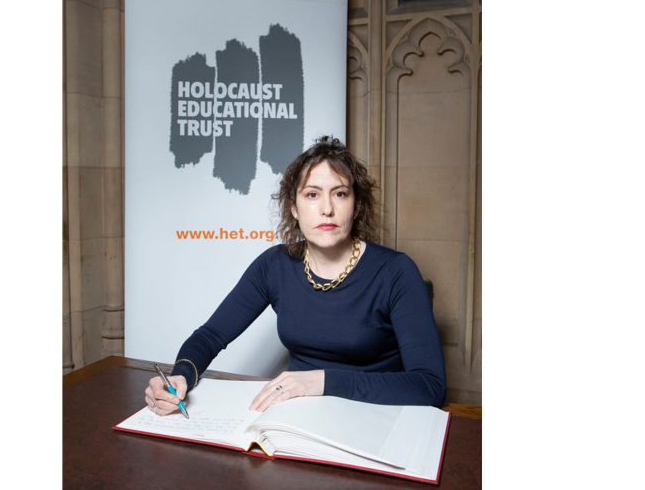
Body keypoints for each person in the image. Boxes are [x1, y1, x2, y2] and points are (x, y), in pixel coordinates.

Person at [145, 136, 446, 416]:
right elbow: (210, 336)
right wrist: (180, 376)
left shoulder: (396, 271)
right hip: (298, 417)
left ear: (356, 207)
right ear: (295, 208)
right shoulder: (275, 265)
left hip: (376, 417)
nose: (326, 209)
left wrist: (322, 382)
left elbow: (429, 385)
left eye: (340, 194)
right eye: (312, 195)